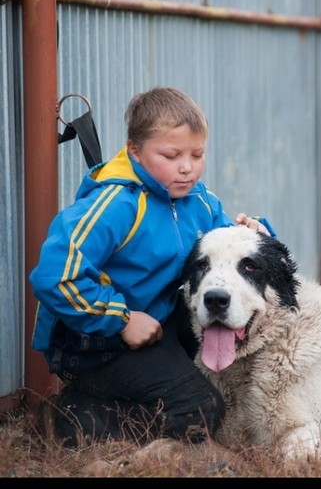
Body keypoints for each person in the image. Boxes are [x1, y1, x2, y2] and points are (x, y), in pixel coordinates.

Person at [30, 87, 271, 447]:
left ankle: (116, 402)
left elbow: (225, 246)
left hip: (157, 322)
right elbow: (56, 276)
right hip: (93, 339)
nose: (187, 167)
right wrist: (121, 319)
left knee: (225, 339)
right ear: (135, 151)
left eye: (197, 154)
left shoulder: (197, 199)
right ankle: (73, 420)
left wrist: (255, 231)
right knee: (200, 407)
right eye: (171, 155)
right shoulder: (115, 204)